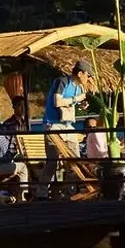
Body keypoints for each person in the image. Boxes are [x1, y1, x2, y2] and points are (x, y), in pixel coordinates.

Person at [36, 61, 90, 199]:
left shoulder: (80, 88)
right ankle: (41, 193)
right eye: (87, 75)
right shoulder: (62, 82)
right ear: (79, 73)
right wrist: (76, 99)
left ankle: (69, 191)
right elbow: (57, 102)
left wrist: (81, 104)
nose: (88, 78)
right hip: (53, 125)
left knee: (75, 160)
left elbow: (72, 103)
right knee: (52, 161)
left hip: (68, 126)